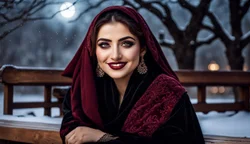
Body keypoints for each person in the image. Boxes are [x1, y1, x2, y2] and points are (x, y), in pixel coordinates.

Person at [60, 6, 205, 144]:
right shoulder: (81, 91)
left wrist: (101, 137)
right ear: (93, 50)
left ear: (142, 49)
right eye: (104, 45)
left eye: (126, 44)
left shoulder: (168, 93)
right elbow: (71, 133)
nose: (115, 55)